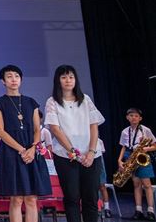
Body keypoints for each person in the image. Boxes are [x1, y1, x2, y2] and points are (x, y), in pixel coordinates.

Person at [45, 64, 105, 222]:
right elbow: (55, 129)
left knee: (91, 198)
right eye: (64, 77)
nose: (68, 80)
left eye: (71, 77)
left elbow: (94, 125)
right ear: (58, 80)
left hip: (91, 156)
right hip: (66, 156)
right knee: (72, 197)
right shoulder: (52, 102)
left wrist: (91, 152)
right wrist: (74, 152)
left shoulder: (85, 99)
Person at [0, 65, 51, 222]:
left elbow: (37, 129)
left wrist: (32, 149)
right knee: (16, 198)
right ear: (3, 81)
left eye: (16, 76)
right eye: (9, 76)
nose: (13, 79)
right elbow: (1, 131)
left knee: (31, 198)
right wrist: (22, 150)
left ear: (21, 79)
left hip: (32, 150)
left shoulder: (31, 102)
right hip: (11, 152)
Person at [117, 107, 156, 221]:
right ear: (127, 117)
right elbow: (124, 147)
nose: (133, 118)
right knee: (136, 184)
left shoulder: (145, 130)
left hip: (142, 156)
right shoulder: (125, 131)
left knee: (147, 184)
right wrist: (119, 160)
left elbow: (155, 145)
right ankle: (138, 210)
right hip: (130, 156)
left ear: (140, 118)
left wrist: (146, 149)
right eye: (131, 115)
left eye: (136, 116)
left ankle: (150, 211)